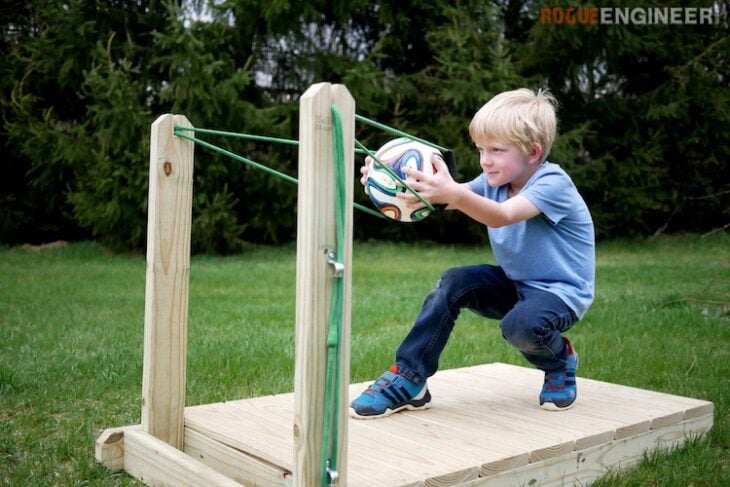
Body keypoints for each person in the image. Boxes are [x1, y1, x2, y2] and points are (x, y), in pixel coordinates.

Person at [350, 88, 595, 419]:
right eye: (481, 149)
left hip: (560, 295)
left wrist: (452, 192)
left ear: (533, 152)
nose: (485, 159)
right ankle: (410, 379)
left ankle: (559, 359)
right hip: (516, 284)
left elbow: (502, 214)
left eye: (496, 150)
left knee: (520, 326)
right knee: (454, 282)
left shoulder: (553, 183)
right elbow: (447, 196)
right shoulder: (494, 179)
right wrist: (386, 183)